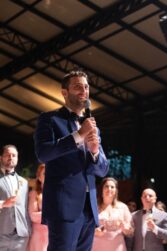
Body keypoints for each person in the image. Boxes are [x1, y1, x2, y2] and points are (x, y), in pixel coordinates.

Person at [34, 70, 109, 251]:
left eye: (86, 87)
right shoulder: (50, 119)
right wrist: (79, 135)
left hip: (89, 208)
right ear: (64, 92)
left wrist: (94, 152)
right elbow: (43, 154)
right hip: (63, 208)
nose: (83, 90)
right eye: (77, 86)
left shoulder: (92, 127)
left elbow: (103, 170)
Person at [0, 144, 31, 251]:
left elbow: (26, 208)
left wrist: (28, 230)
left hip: (21, 235)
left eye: (14, 155)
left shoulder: (25, 182)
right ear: (1, 158)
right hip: (1, 233)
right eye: (7, 155)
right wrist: (3, 204)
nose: (11, 157)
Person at [92, 177, 133, 251]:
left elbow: (131, 231)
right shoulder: (94, 206)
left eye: (112, 187)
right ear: (102, 189)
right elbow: (86, 227)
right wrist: (94, 231)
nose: (109, 189)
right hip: (97, 246)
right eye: (106, 186)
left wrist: (126, 229)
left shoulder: (123, 207)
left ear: (116, 191)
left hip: (117, 247)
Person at [27, 164, 48, 251]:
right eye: (45, 174)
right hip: (39, 237)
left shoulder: (58, 194)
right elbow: (33, 216)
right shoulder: (35, 194)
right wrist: (52, 214)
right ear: (39, 178)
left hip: (54, 236)